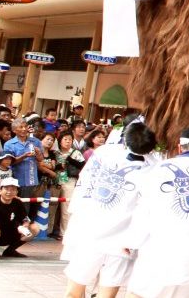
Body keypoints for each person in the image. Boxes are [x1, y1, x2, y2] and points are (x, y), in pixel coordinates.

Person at [123, 127, 189, 298]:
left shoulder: (159, 169)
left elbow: (145, 210)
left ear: (179, 147)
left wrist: (132, 241)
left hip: (161, 255)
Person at [61, 119, 158, 298]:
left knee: (74, 292)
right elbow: (147, 212)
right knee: (103, 294)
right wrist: (135, 240)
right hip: (118, 242)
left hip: (93, 234)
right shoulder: (154, 168)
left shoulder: (105, 152)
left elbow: (84, 184)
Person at [2, 118, 44, 217]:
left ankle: (25, 222)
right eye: (21, 127)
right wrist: (24, 156)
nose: (24, 129)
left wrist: (38, 153)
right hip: (15, 178)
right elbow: (9, 162)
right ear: (14, 130)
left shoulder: (36, 141)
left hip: (31, 178)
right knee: (13, 203)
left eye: (25, 126)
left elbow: (41, 159)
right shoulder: (9, 144)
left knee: (27, 204)